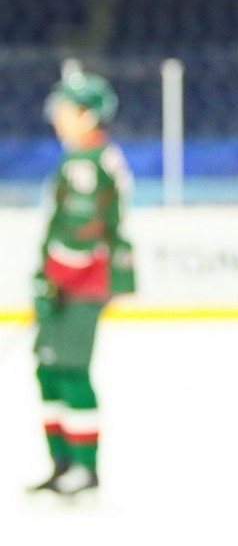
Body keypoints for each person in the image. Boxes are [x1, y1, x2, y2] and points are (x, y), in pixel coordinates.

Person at [28, 72, 134, 497]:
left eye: (65, 109)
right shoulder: (84, 157)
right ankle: (62, 463)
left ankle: (84, 468)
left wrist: (53, 280)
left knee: (71, 370)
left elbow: (83, 230)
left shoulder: (87, 163)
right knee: (48, 369)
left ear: (88, 114)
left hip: (79, 286)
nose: (57, 116)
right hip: (67, 284)